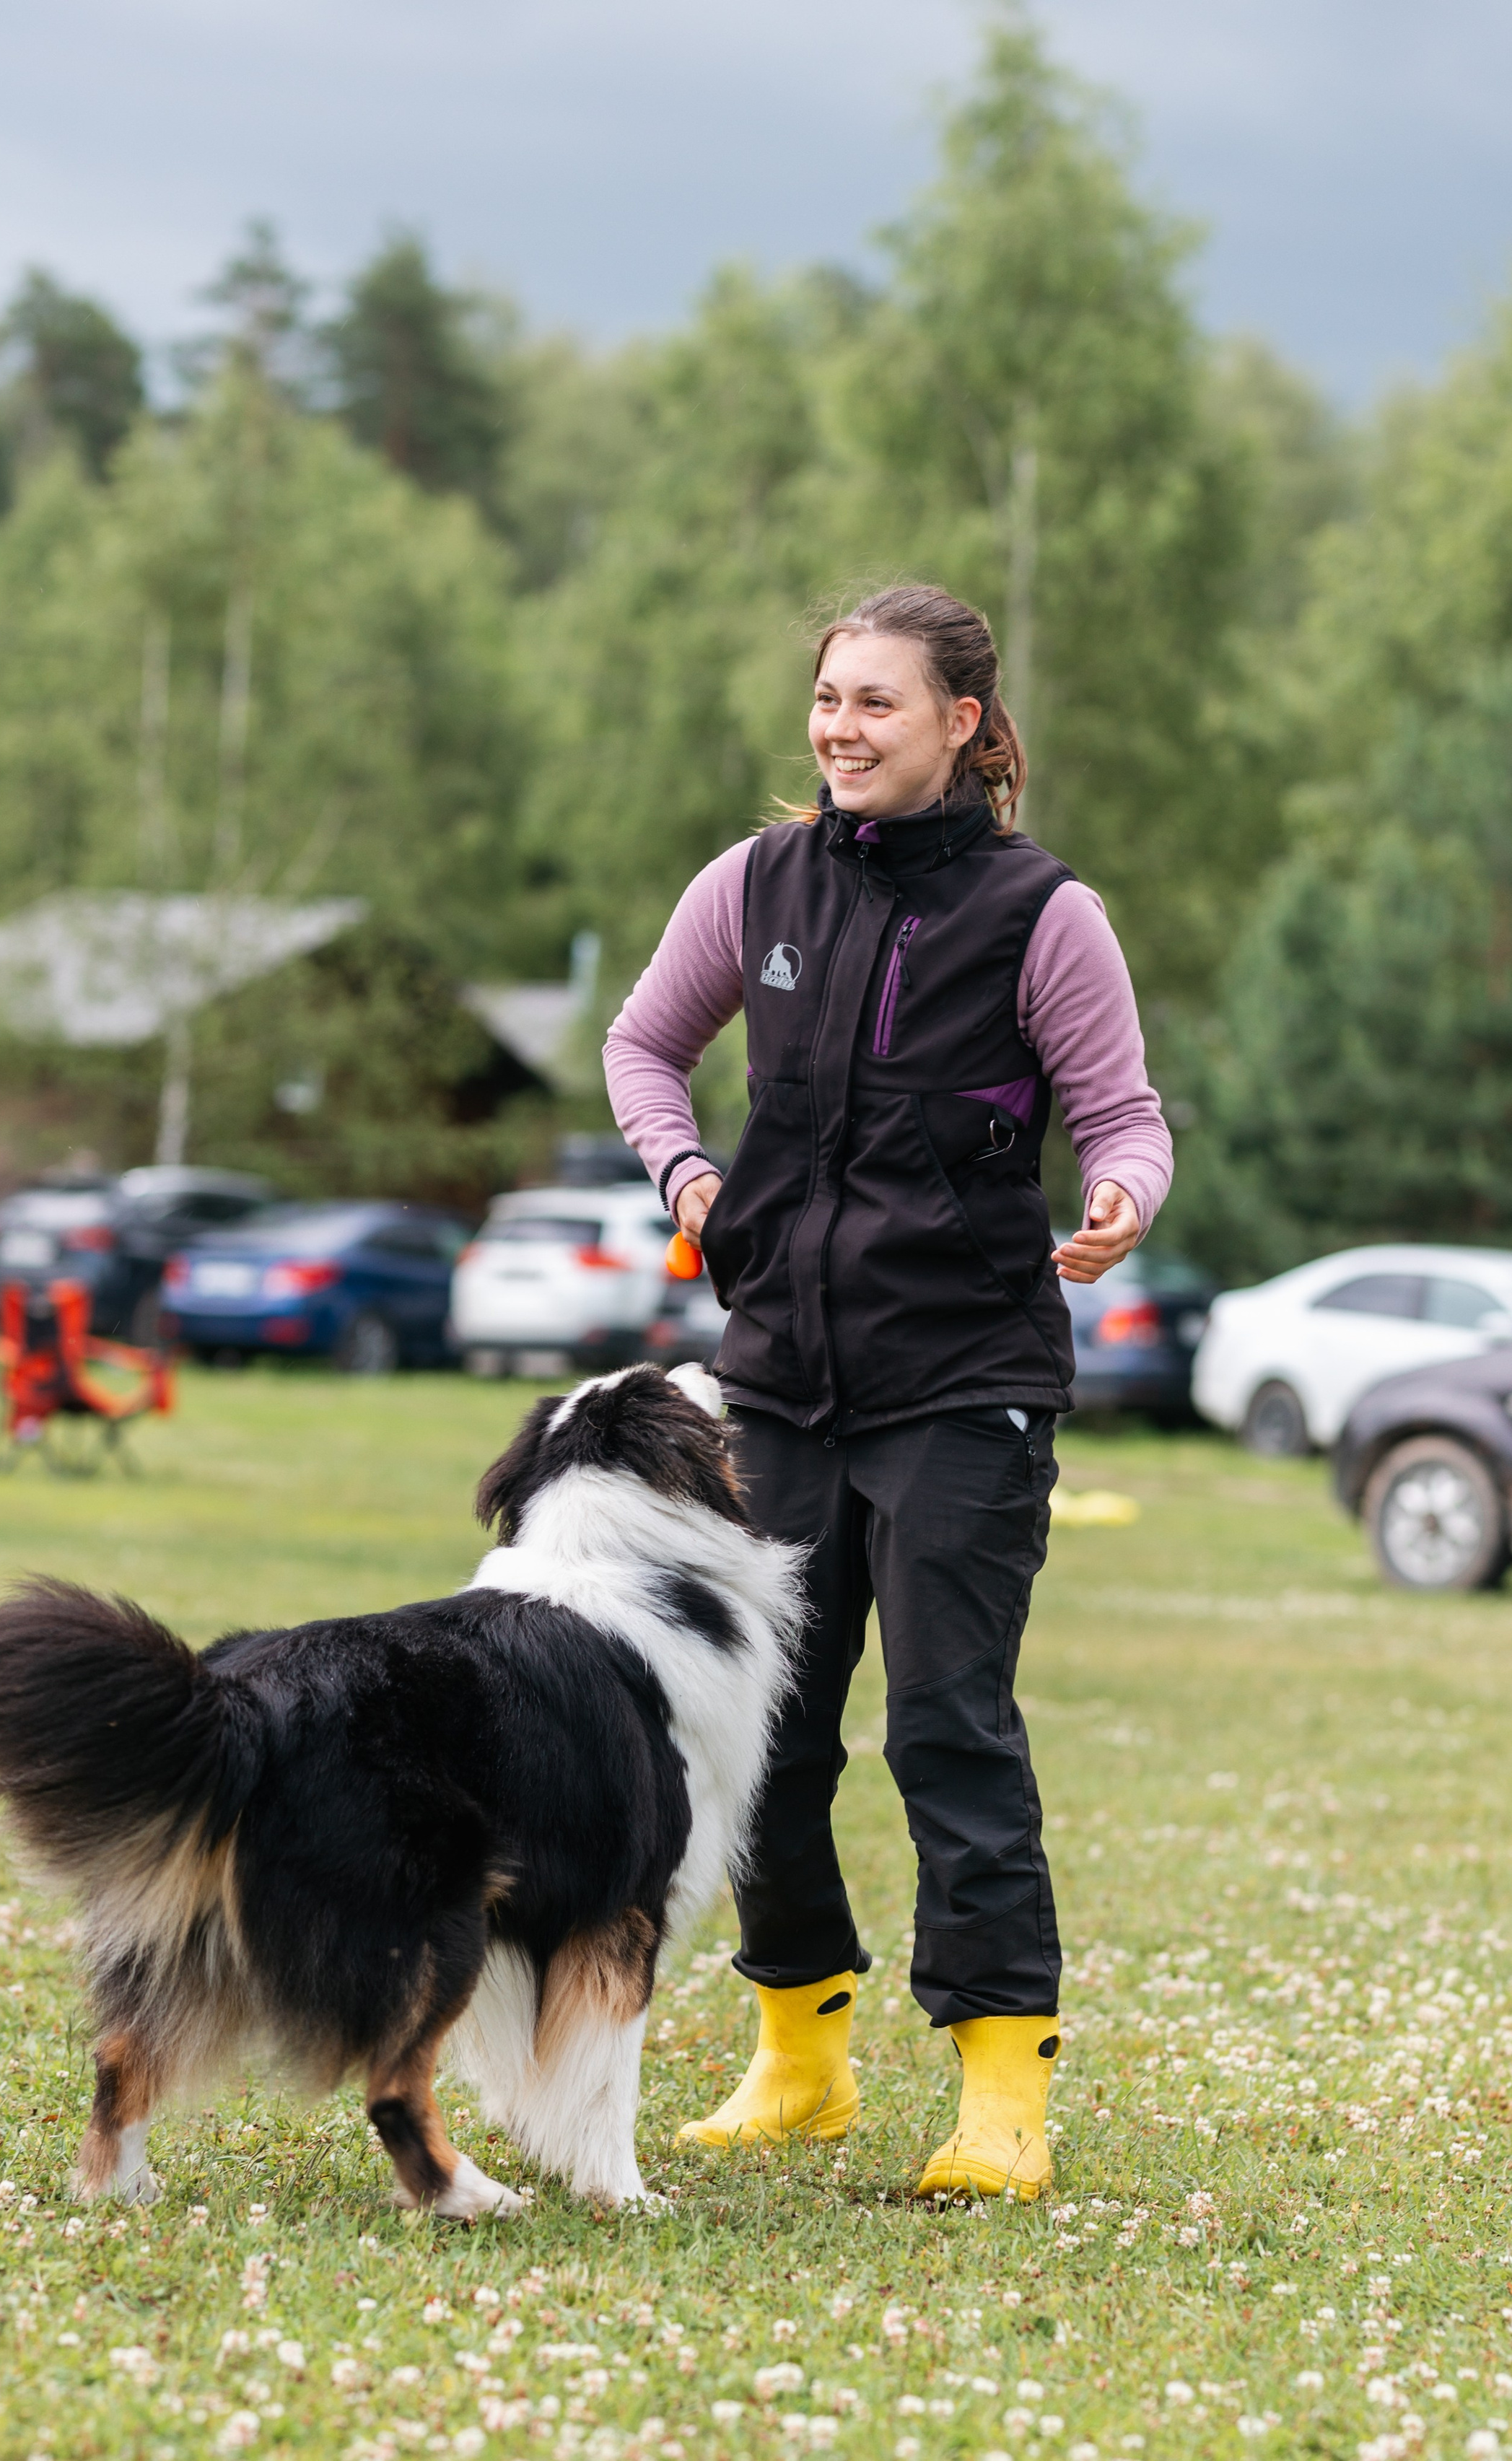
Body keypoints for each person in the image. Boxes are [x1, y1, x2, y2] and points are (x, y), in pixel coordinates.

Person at [603, 582, 1172, 2200]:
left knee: (945, 1726)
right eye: (827, 696)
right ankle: (800, 2059)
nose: (838, 726)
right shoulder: (755, 881)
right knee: (762, 1733)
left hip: (965, 1380)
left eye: (875, 702)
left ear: (961, 727)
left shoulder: (1037, 912)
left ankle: (1000, 2092)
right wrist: (685, 1167)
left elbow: (1121, 1111)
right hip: (777, 1375)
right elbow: (642, 1046)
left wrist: (1125, 1198)